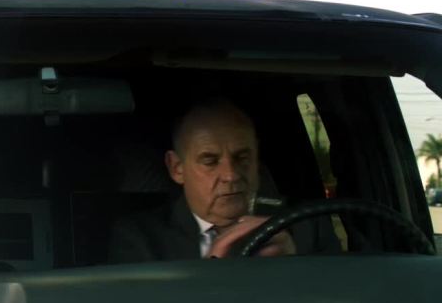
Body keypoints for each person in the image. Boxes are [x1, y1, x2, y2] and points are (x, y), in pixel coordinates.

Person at [108, 98, 340, 262]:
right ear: (177, 168)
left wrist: (295, 266)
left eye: (242, 158)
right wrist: (213, 272)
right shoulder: (140, 239)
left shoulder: (307, 225)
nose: (231, 175)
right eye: (210, 161)